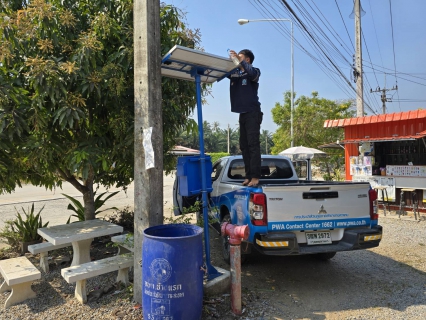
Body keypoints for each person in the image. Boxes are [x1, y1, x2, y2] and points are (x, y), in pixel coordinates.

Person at [228, 49, 263, 187]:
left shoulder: (254, 71)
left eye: (240, 57)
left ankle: (255, 177)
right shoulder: (235, 73)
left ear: (247, 59)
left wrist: (240, 60)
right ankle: (248, 176)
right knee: (244, 146)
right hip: (242, 113)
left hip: (253, 112)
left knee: (253, 144)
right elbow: (222, 71)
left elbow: (253, 74)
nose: (236, 58)